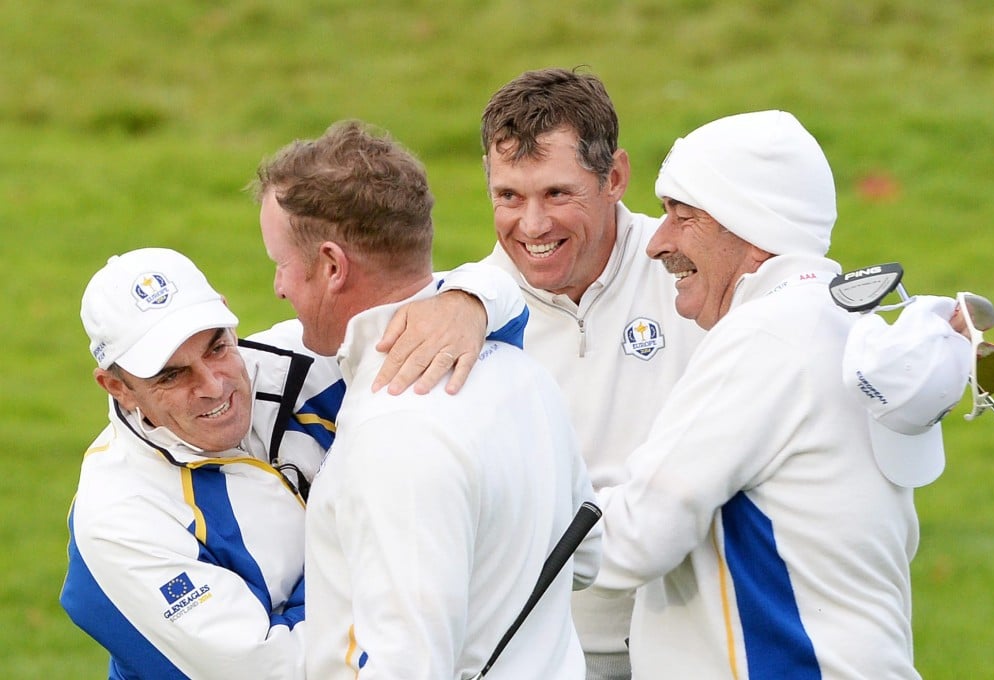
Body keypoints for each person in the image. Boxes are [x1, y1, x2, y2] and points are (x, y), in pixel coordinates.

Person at [591, 109, 963, 678]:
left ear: (750, 226)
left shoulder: (767, 335)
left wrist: (497, 511)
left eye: (682, 216)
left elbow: (635, 538)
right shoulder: (846, 325)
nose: (657, 243)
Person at [60, 246, 530, 679]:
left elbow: (501, 295)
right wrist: (401, 562)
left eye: (217, 348)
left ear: (226, 316)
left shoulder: (311, 359)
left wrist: (468, 304)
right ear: (116, 387)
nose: (214, 386)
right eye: (171, 375)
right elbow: (278, 670)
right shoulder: (118, 520)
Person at [254, 119, 601, 679]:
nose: (278, 286)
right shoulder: (523, 374)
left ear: (332, 266)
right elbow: (585, 557)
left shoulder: (393, 431)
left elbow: (408, 666)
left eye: (282, 263)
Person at [475, 67, 707, 679]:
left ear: (615, 177)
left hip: (694, 651)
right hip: (539, 661)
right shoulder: (464, 312)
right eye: (509, 196)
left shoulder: (697, 271)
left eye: (557, 194)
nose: (532, 225)